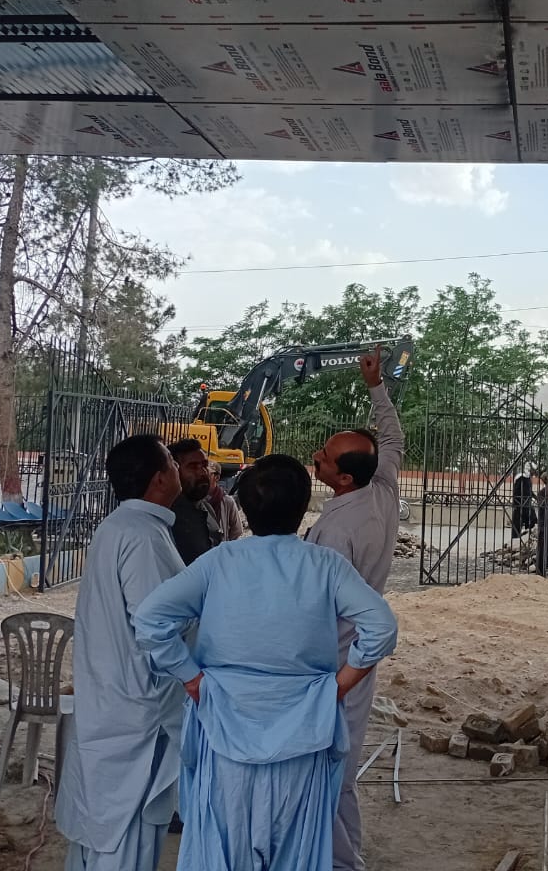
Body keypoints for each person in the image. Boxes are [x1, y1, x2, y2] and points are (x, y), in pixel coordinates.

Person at [134, 455, 398, 871]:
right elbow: (381, 627)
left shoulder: (220, 561)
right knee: (295, 853)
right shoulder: (324, 565)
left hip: (224, 731)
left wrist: (190, 678)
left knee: (222, 851)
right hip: (304, 734)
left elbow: (151, 619)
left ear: (245, 507)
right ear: (303, 506)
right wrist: (339, 685)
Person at [55, 434, 185, 871]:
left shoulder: (123, 527)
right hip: (136, 708)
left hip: (113, 698)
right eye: (172, 461)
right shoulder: (142, 535)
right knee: (124, 827)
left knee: (104, 820)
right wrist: (194, 677)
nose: (178, 467)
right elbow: (157, 626)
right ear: (159, 478)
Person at [305, 346, 403, 871]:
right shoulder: (382, 490)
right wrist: (375, 386)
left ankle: (340, 862)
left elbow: (316, 607)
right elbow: (393, 438)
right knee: (338, 765)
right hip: (356, 658)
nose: (315, 458)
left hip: (335, 659)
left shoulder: (336, 532)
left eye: (323, 456)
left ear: (343, 478)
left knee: (327, 769)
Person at [167, 439, 222, 566]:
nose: (202, 472)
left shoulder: (207, 508)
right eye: (193, 467)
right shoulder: (168, 515)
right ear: (174, 471)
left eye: (204, 465)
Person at [206, 461, 243, 542]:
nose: (203, 477)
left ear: (217, 477)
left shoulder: (227, 501)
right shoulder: (196, 499)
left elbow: (237, 530)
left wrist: (225, 542)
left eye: (207, 473)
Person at [510, 466, 537, 541]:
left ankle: (528, 538)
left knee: (532, 521)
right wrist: (515, 503)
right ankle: (515, 540)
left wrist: (536, 498)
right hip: (519, 505)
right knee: (517, 524)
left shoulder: (528, 479)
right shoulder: (521, 478)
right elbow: (516, 492)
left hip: (527, 504)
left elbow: (529, 491)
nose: (534, 472)